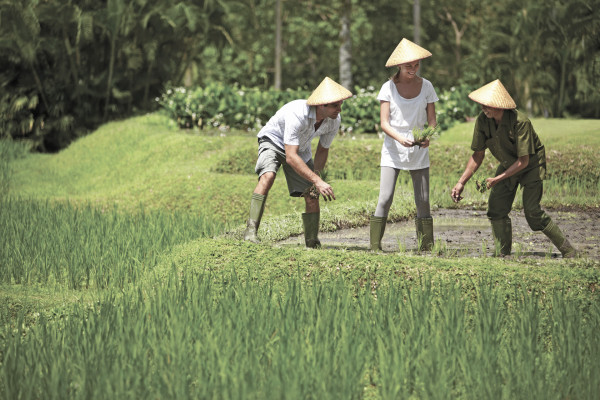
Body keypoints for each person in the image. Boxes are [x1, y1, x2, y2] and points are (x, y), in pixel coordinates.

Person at [451, 79, 577, 257]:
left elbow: (523, 161)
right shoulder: (482, 121)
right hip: (508, 165)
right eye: (481, 105)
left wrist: (497, 179)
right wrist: (461, 182)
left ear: (500, 106)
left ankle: (569, 251)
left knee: (532, 212)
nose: (483, 109)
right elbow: (478, 155)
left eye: (488, 105)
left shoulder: (520, 122)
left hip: (530, 165)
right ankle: (503, 255)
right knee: (496, 208)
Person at [243, 77, 352, 248]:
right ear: (321, 104)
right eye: (335, 105)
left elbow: (323, 150)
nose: (339, 109)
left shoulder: (333, 120)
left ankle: (312, 242)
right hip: (273, 141)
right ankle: (250, 232)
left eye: (340, 105)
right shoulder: (298, 113)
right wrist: (317, 180)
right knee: (268, 176)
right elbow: (290, 157)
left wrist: (316, 179)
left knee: (311, 194)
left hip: (300, 148)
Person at [370, 38, 439, 252]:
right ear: (399, 65)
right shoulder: (387, 88)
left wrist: (427, 136)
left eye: (416, 65)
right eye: (409, 65)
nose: (413, 69)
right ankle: (374, 247)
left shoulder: (426, 86)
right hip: (393, 148)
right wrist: (400, 139)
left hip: (418, 147)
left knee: (423, 200)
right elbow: (384, 123)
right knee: (385, 197)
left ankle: (426, 248)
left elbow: (432, 121)